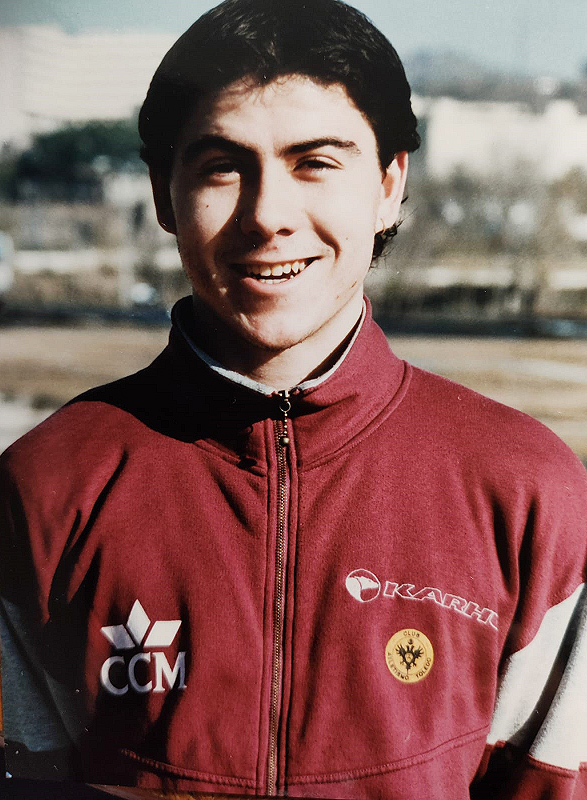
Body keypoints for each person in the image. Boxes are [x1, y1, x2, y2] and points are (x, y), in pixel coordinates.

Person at [1, 0, 586, 797]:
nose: (267, 216)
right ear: (164, 195)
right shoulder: (42, 488)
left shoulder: (525, 492)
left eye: (315, 162)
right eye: (221, 166)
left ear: (388, 185)